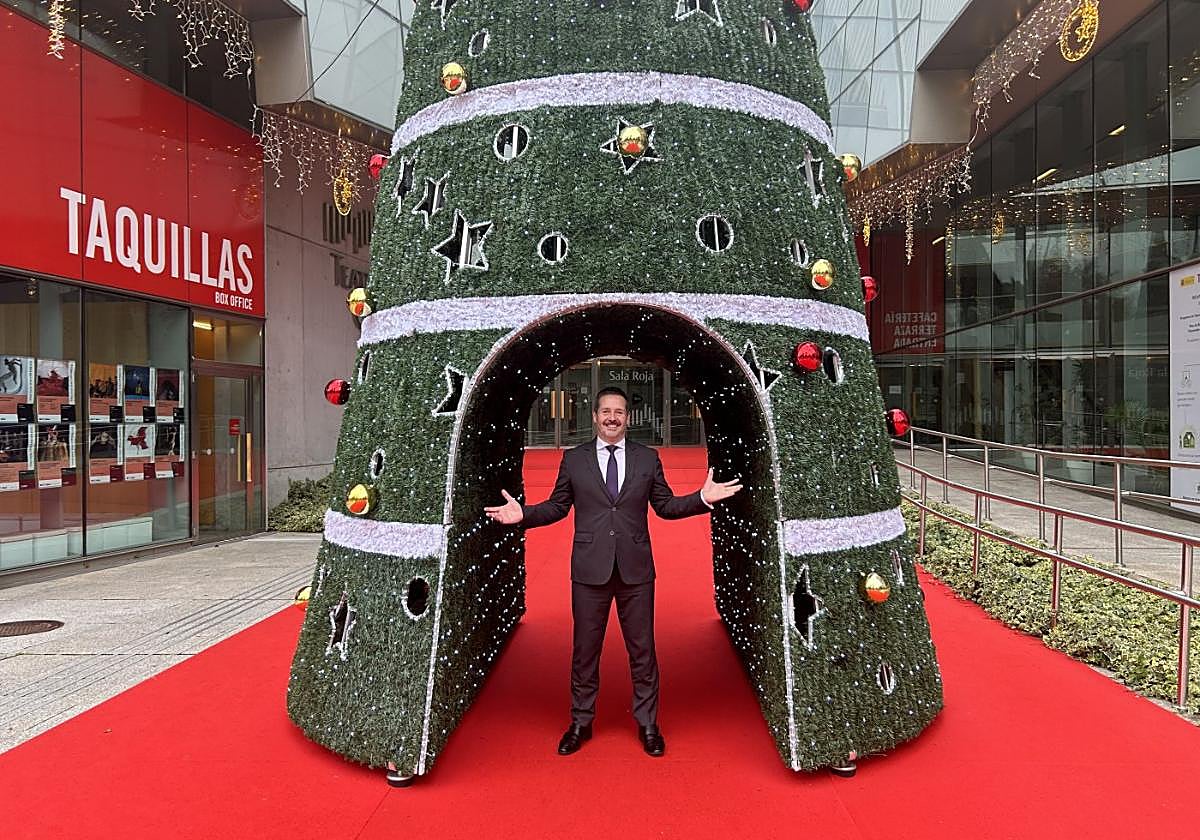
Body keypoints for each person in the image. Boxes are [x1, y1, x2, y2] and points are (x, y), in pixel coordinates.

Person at [485, 386, 742, 757]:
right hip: (589, 570)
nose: (612, 418)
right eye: (605, 411)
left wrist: (702, 498)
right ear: (595, 417)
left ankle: (648, 724)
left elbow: (666, 506)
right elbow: (558, 507)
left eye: (618, 412)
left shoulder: (647, 458)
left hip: (636, 570)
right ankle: (581, 722)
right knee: (584, 651)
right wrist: (523, 514)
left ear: (627, 418)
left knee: (643, 650)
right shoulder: (574, 459)